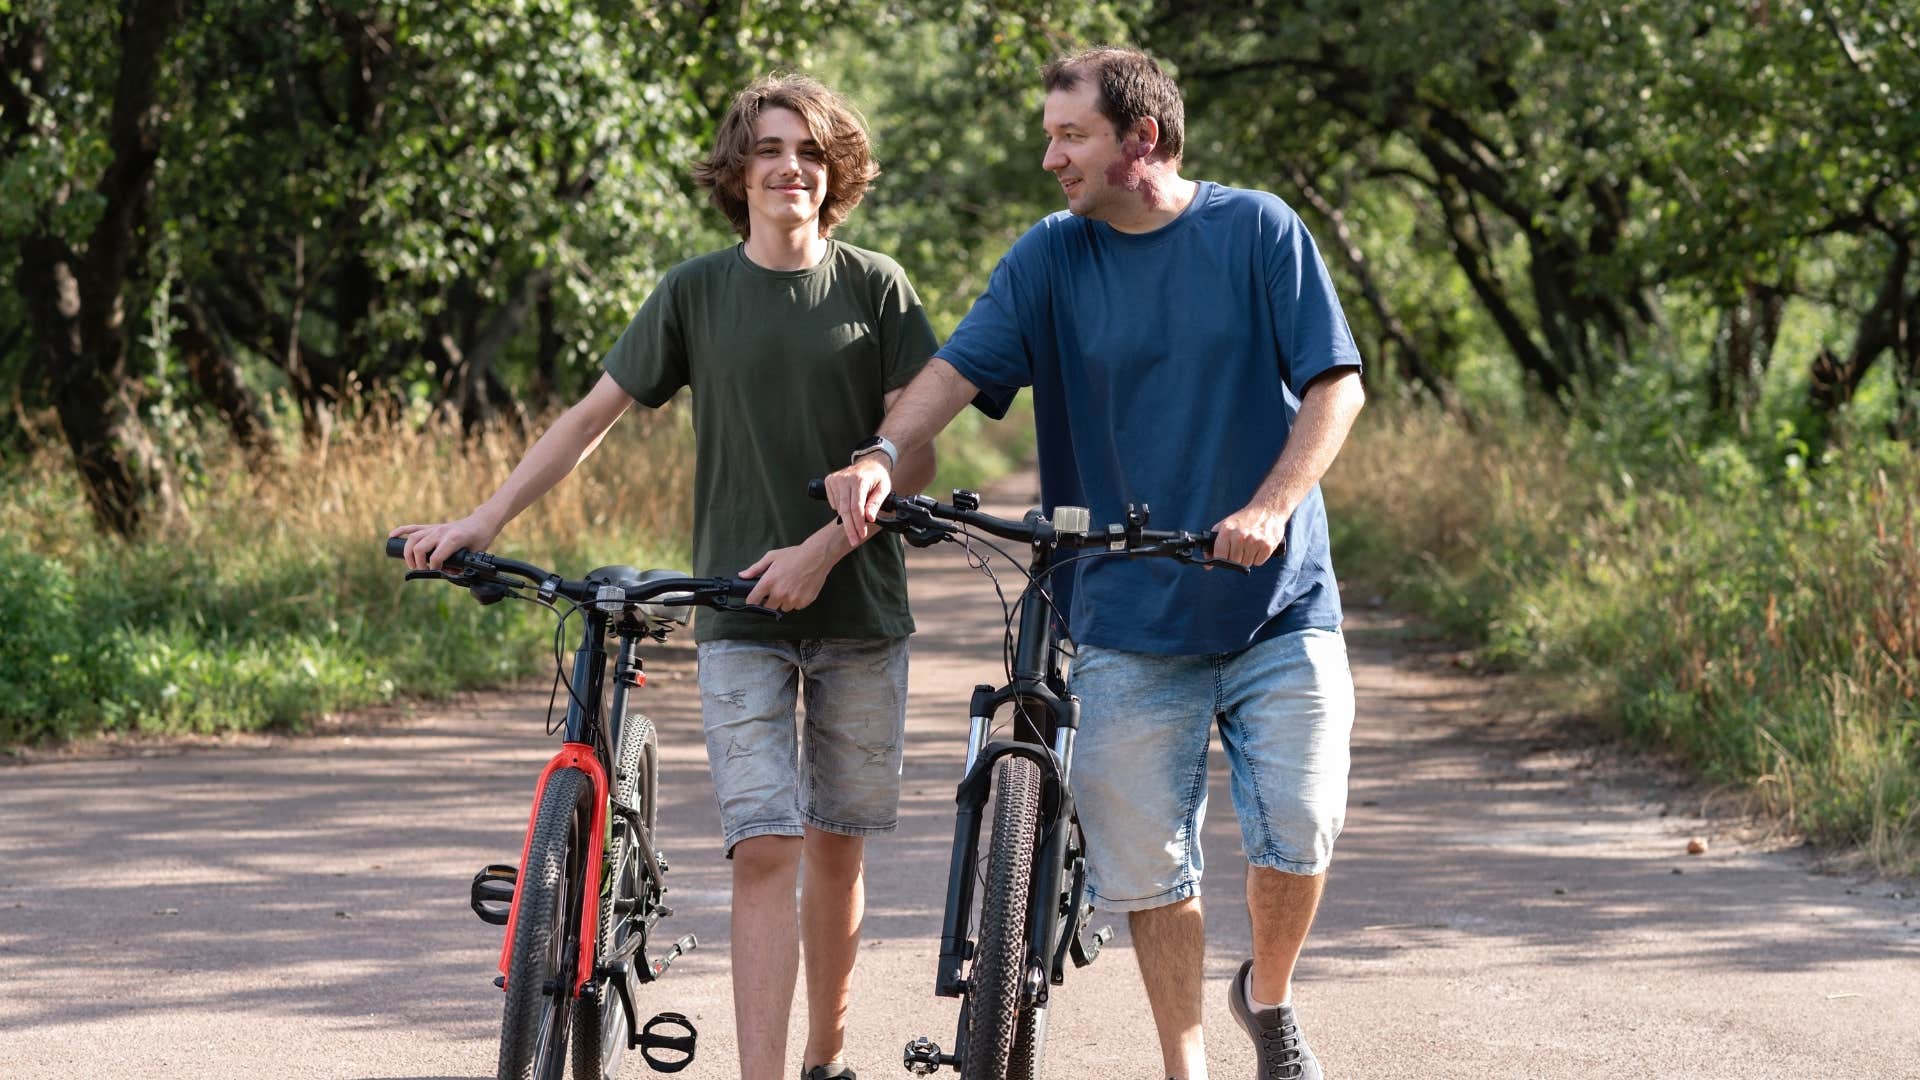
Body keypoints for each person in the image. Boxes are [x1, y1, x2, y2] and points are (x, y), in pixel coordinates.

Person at [822, 46, 1365, 1080]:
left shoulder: (1257, 231)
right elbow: (957, 367)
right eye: (1050, 134)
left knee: (1299, 834)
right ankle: (1187, 1065)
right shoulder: (1051, 257)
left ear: (1141, 139)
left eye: (1070, 135)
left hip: (1276, 606)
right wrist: (884, 453)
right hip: (1122, 614)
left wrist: (1269, 506)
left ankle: (1270, 994)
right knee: (1150, 874)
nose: (1050, 156)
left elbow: (1336, 387)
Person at [394, 73, 937, 1080]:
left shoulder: (877, 286)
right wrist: (483, 517)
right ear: (739, 171)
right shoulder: (696, 291)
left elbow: (921, 446)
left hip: (862, 604)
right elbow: (587, 421)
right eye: (771, 150)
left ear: (835, 173)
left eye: (811, 153)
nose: (791, 168)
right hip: (736, 611)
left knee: (836, 846)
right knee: (765, 846)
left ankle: (829, 1054)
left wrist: (871, 479)